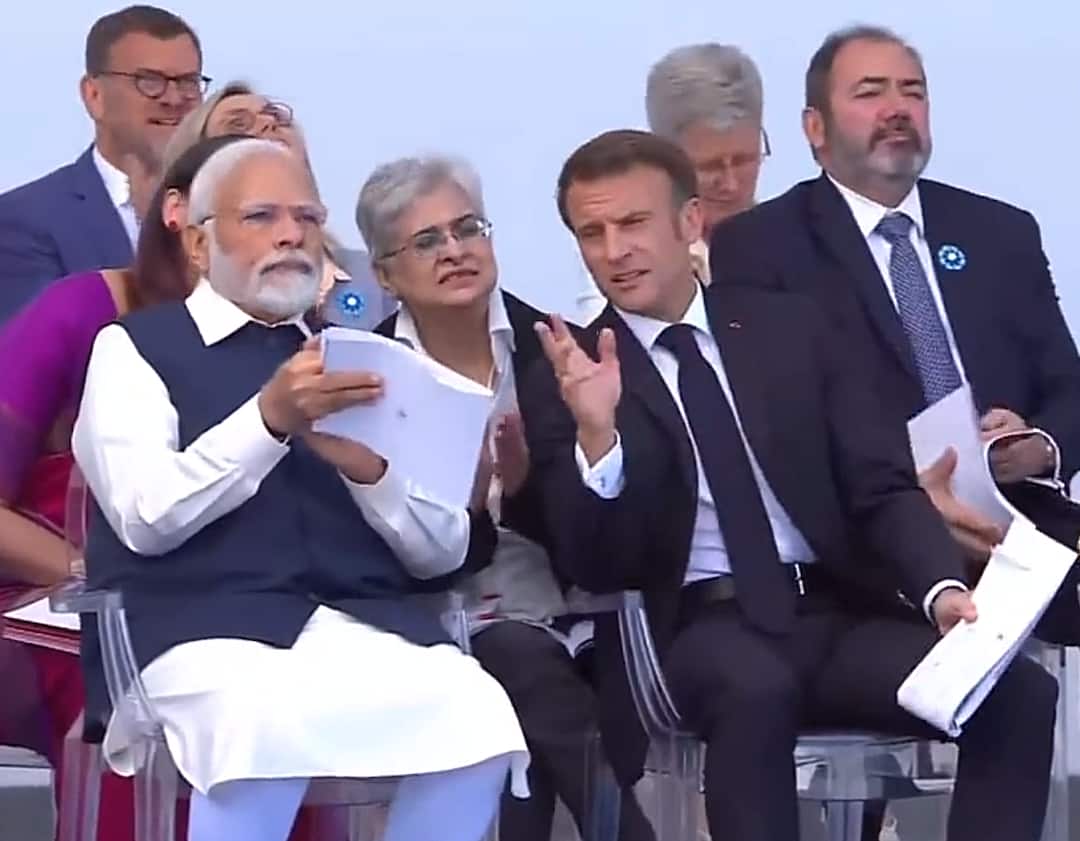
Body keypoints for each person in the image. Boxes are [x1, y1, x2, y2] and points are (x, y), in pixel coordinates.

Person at [522, 128, 1057, 841]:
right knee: (756, 687)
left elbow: (879, 486)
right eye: (592, 232)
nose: (614, 250)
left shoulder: (791, 328)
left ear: (689, 223)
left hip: (832, 613)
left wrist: (940, 588)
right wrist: (599, 436)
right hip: (697, 627)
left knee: (1016, 687)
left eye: (632, 223)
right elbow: (594, 562)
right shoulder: (571, 372)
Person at [72, 138, 528, 841]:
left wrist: (368, 472)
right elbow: (144, 515)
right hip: (196, 634)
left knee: (477, 711)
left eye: (306, 217)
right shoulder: (132, 349)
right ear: (199, 243)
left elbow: (440, 555)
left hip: (357, 627)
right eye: (260, 215)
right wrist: (267, 421)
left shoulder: (365, 357)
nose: (290, 233)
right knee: (259, 719)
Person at [708, 24, 1080, 644]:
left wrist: (1037, 446)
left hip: (1021, 519)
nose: (897, 109)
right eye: (870, 92)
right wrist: (910, 495)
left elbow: (1070, 386)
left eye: (913, 91)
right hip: (875, 541)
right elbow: (782, 429)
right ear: (815, 128)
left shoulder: (998, 231)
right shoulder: (762, 246)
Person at [357, 154, 654, 841]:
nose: (456, 251)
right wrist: (472, 507)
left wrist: (523, 487)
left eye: (468, 229)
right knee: (520, 665)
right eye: (427, 241)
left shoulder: (562, 353)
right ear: (384, 272)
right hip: (425, 617)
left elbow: (615, 535)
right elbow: (369, 539)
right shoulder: (365, 377)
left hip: (574, 614)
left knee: (528, 678)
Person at [0, 133, 246, 841]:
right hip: (63, 597)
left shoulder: (292, 338)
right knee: (130, 667)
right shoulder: (84, 308)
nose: (284, 232)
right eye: (254, 211)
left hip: (231, 597)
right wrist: (97, 577)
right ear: (181, 213)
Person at [0, 5, 206, 321]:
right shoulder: (24, 219)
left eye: (188, 81)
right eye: (149, 80)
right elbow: (36, 352)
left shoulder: (228, 208)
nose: (174, 99)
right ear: (94, 95)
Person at [164, 80, 397, 329]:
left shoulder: (367, 274)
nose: (268, 123)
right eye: (239, 124)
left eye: (276, 115)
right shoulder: (166, 303)